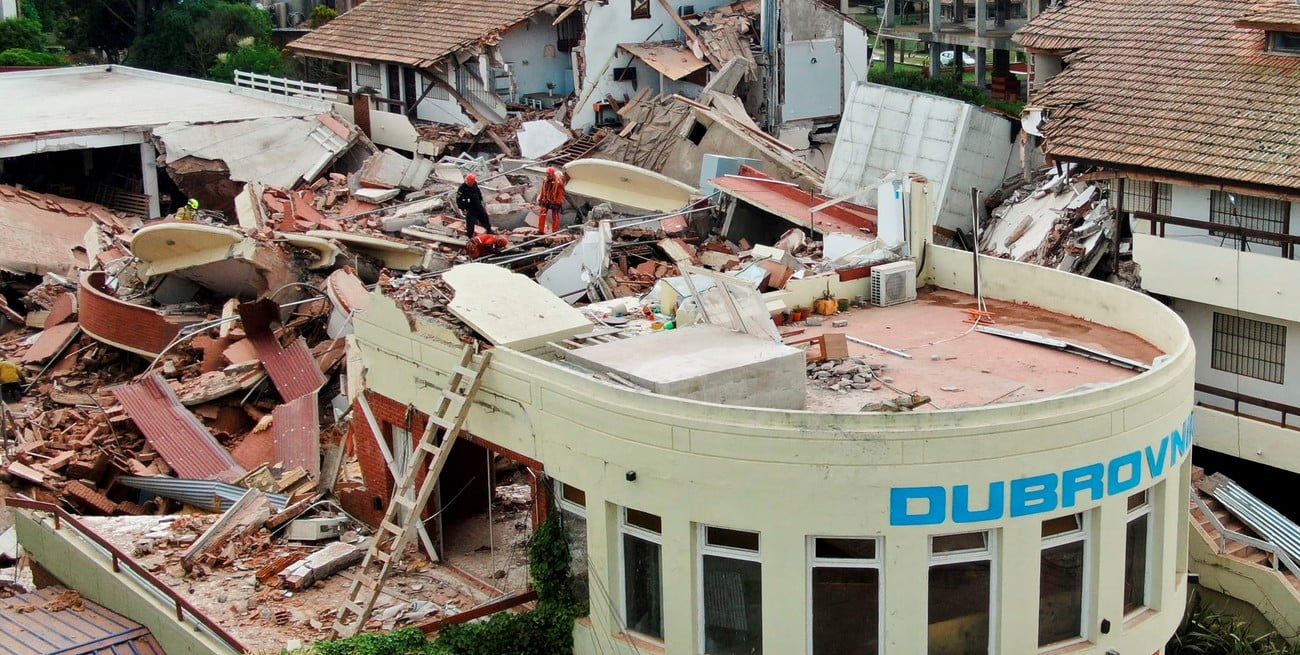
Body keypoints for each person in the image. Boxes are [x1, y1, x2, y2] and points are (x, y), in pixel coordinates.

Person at [456, 174, 495, 239]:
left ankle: (489, 230)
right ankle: (469, 236)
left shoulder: (474, 184)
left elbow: (478, 193)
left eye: (471, 183)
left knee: (485, 218)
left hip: (478, 206)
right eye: (469, 183)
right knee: (470, 223)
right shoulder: (462, 188)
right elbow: (458, 200)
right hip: (469, 209)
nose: (470, 184)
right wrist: (463, 209)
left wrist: (481, 201)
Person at [537, 167, 566, 234]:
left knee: (555, 216)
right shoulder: (545, 180)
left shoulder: (558, 182)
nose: (548, 176)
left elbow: (560, 193)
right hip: (546, 199)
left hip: (554, 201)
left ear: (552, 174)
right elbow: (543, 190)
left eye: (549, 175)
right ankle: (540, 230)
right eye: (547, 174)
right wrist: (541, 198)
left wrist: (558, 203)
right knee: (542, 214)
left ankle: (555, 231)